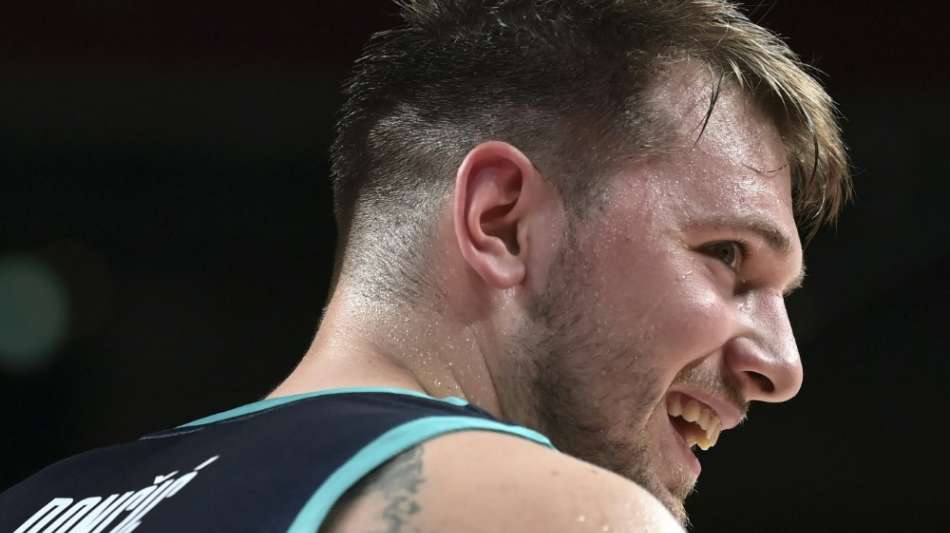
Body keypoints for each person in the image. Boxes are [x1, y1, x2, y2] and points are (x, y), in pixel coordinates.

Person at [1, 1, 850, 531]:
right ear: (501, 220)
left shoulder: (37, 504)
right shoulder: (562, 517)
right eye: (727, 255)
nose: (783, 365)